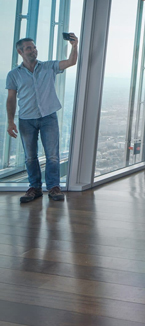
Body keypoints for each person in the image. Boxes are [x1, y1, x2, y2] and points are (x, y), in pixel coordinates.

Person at [6, 34, 79, 203]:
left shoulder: (48, 67)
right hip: (26, 120)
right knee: (30, 157)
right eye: (29, 48)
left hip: (48, 117)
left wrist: (74, 46)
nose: (33, 50)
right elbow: (11, 99)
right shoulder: (13, 75)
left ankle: (54, 187)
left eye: (34, 47)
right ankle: (35, 188)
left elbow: (70, 62)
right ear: (20, 51)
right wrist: (10, 121)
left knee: (52, 155)